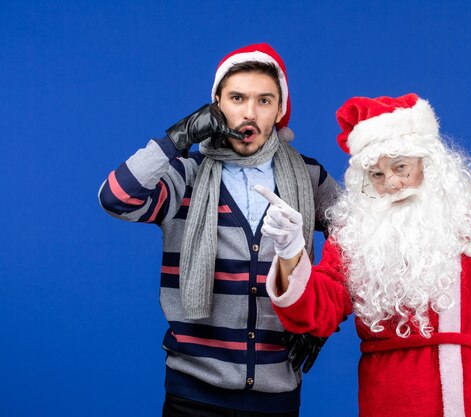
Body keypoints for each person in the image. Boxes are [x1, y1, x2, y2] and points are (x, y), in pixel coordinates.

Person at [256, 93, 471, 417]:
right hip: (393, 402)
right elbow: (321, 308)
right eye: (376, 174)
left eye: (401, 166)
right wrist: (291, 251)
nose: (391, 182)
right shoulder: (358, 232)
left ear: (429, 161)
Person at [98, 43, 340, 416]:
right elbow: (117, 197)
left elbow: (362, 243)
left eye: (264, 100)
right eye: (237, 98)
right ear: (216, 105)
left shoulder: (308, 177)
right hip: (194, 393)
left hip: (278, 395)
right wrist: (178, 138)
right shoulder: (186, 175)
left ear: (279, 109)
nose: (249, 113)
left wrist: (322, 316)